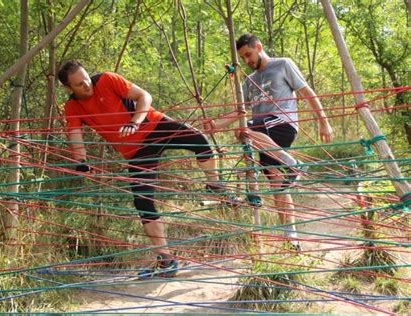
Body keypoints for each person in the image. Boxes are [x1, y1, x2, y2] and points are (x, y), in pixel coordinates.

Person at [58, 60, 236, 277]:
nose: (87, 85)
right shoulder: (73, 107)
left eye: (86, 78)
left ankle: (215, 184)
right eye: (79, 84)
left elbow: (145, 96)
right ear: (68, 88)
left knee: (199, 139)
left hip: (155, 125)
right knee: (143, 203)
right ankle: (166, 261)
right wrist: (81, 163)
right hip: (135, 151)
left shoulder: (106, 79)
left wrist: (135, 121)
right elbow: (75, 136)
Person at [207, 34, 334, 250]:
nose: (247, 60)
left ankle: (292, 164)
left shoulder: (283, 65)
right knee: (277, 185)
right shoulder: (249, 80)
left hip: (282, 124)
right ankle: (291, 239)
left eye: (248, 54)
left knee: (247, 128)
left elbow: (307, 92)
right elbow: (241, 110)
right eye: (243, 57)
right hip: (262, 136)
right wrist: (216, 125)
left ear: (258, 47)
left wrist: (324, 122)